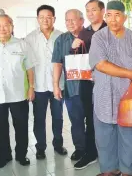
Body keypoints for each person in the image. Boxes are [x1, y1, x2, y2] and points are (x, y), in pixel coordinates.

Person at [89, 0, 132, 176]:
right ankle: (109, 171)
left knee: (130, 139)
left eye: (117, 15)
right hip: (104, 96)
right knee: (104, 138)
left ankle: (127, 171)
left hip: (129, 99)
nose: (113, 20)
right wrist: (130, 74)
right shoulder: (99, 37)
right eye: (109, 15)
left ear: (125, 17)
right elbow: (101, 64)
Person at [0, 14, 35, 168]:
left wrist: (31, 87)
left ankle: (21, 155)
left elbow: (30, 68)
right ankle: (4, 156)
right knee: (0, 128)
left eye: (6, 25)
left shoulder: (22, 44)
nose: (2, 29)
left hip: (18, 93)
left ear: (12, 26)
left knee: (21, 126)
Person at [25, 5, 67, 160]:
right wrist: (30, 87)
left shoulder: (62, 36)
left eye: (48, 17)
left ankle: (58, 145)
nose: (45, 20)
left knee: (58, 117)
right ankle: (40, 147)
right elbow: (27, 63)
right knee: (39, 119)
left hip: (58, 85)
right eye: (41, 17)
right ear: (37, 19)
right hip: (39, 86)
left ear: (54, 18)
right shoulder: (30, 38)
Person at [70, 0, 107, 169]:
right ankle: (91, 152)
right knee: (89, 118)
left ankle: (108, 152)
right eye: (88, 10)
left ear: (102, 11)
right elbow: (75, 58)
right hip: (86, 82)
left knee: (107, 118)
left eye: (94, 9)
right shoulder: (83, 33)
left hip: (107, 81)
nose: (91, 13)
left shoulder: (110, 30)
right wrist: (74, 46)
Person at [52, 9, 86, 161]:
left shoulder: (92, 36)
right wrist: (55, 85)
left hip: (93, 87)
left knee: (94, 121)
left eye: (73, 20)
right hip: (72, 89)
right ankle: (80, 149)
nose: (70, 23)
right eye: (67, 20)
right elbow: (58, 64)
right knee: (76, 120)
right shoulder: (61, 39)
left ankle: (95, 148)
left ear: (82, 21)